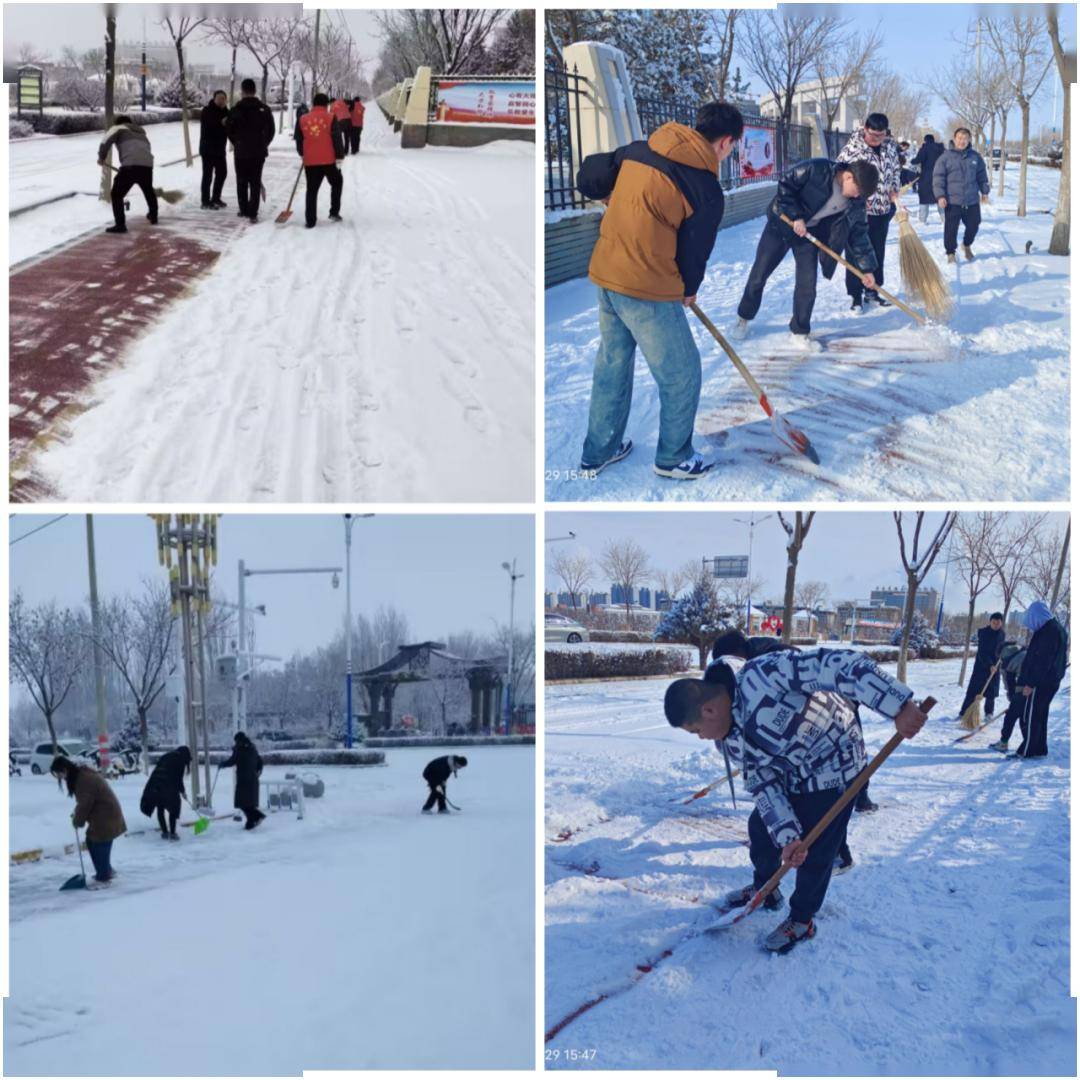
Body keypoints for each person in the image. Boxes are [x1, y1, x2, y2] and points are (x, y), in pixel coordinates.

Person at [663, 647, 926, 952]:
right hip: (791, 771)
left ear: (709, 711)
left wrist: (899, 705)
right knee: (761, 829)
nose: (701, 738)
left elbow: (839, 665)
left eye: (696, 730)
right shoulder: (729, 743)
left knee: (818, 846)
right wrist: (788, 837)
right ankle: (767, 888)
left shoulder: (765, 675)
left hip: (836, 761)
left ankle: (802, 919)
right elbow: (763, 785)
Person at [574, 103, 745, 481]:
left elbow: (593, 172)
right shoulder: (704, 188)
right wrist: (688, 290)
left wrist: (612, 198)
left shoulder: (639, 150)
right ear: (726, 142)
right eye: (733, 146)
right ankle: (674, 457)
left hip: (606, 275)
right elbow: (693, 252)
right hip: (646, 288)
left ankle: (599, 451)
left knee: (612, 365)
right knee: (682, 372)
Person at [732, 157, 879, 346]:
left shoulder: (855, 203)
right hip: (781, 225)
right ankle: (743, 317)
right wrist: (796, 216)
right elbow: (786, 185)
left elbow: (859, 235)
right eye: (857, 191)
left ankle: (800, 331)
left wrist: (866, 269)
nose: (857, 196)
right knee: (759, 274)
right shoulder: (818, 169)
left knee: (807, 284)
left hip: (809, 236)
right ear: (849, 177)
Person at [837, 113, 902, 311]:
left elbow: (895, 171)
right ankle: (856, 295)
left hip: (882, 209)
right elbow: (839, 177)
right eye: (873, 135)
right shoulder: (852, 149)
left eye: (881, 136)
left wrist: (894, 194)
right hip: (859, 211)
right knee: (856, 253)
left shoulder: (890, 147)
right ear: (865, 129)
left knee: (877, 251)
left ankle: (873, 291)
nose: (877, 139)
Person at [50, 755, 127, 885]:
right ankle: (106, 870)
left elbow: (85, 804)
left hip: (107, 817)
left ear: (64, 769)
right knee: (91, 841)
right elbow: (84, 802)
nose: (60, 778)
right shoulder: (81, 775)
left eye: (59, 774)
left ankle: (104, 876)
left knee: (98, 842)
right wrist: (77, 814)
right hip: (104, 815)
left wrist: (77, 821)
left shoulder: (83, 779)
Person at [1013, 601, 1067, 759]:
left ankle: (1027, 750)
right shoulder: (1057, 629)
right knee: (1040, 714)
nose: (1031, 625)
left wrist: (1031, 683)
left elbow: (1043, 661)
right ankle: (1039, 749)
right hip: (1050, 681)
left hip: (1041, 682)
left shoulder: (1048, 632)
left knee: (1031, 716)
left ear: (1037, 616)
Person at [933, 126, 990, 263]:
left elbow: (982, 176)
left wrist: (984, 192)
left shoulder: (975, 157)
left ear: (969, 140)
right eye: (959, 138)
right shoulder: (945, 157)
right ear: (954, 139)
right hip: (952, 200)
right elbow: (938, 177)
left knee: (974, 224)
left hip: (971, 200)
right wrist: (940, 196)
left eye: (965, 138)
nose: (962, 141)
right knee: (951, 229)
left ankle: (966, 244)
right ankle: (950, 252)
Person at [225, 78, 275, 223]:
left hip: (240, 152)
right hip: (258, 152)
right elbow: (271, 130)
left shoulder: (235, 110)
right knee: (255, 180)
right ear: (255, 91)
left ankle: (244, 209)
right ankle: (253, 211)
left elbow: (229, 130)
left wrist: (237, 142)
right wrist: (263, 143)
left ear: (242, 91)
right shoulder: (264, 109)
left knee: (241, 181)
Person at [97, 115, 157, 234]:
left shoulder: (118, 128)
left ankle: (120, 225)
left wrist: (101, 157)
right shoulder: (141, 133)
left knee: (116, 194)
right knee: (148, 190)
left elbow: (105, 141)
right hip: (147, 166)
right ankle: (153, 215)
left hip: (129, 166)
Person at [294, 93, 346, 228]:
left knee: (311, 190)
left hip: (310, 161)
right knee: (337, 182)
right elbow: (337, 138)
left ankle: (310, 220)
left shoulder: (302, 118)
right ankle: (334, 212)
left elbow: (299, 139)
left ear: (313, 103)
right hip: (328, 160)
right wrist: (340, 156)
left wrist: (302, 153)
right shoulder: (331, 117)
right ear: (327, 104)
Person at [139, 745, 192, 840]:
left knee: (160, 808)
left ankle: (164, 832)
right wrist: (183, 792)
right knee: (174, 809)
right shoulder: (180, 760)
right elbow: (178, 779)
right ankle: (172, 833)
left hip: (156, 786)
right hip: (169, 787)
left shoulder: (166, 756)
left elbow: (156, 772)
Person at [958, 612, 1005, 719]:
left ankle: (989, 713)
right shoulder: (984, 633)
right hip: (982, 666)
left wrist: (1000, 660)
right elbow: (982, 652)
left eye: (998, 623)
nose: (996, 625)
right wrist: (989, 664)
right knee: (973, 691)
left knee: (991, 693)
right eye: (994, 623)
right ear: (990, 622)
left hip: (995, 667)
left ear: (1001, 623)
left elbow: (1001, 649)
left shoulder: (1002, 634)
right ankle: (963, 713)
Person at [219, 732, 264, 829]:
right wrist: (258, 771)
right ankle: (251, 822)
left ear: (238, 740)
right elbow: (260, 761)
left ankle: (257, 817)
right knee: (248, 803)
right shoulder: (252, 748)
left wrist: (223, 764)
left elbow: (232, 761)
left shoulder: (239, 749)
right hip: (252, 779)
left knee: (242, 802)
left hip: (244, 780)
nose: (235, 743)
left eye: (235, 741)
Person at [989, 640, 1026, 752]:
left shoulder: (1006, 662)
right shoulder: (1023, 652)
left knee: (1010, 717)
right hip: (1035, 689)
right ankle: (1029, 744)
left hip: (1022, 691)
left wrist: (1012, 700)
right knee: (1026, 718)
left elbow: (1009, 683)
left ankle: (1003, 743)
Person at [199, 90, 229, 209]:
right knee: (208, 175)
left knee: (222, 173)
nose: (221, 101)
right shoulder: (207, 111)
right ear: (214, 98)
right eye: (219, 98)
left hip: (220, 149)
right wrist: (221, 123)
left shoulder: (227, 112)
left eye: (223, 98)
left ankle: (216, 198)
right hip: (207, 149)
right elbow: (210, 126)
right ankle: (205, 201)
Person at [912, 134, 945, 223]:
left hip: (926, 177)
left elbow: (918, 160)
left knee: (924, 198)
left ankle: (922, 220)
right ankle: (945, 219)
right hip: (940, 176)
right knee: (940, 197)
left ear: (925, 140)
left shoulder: (925, 148)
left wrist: (912, 161)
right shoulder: (941, 149)